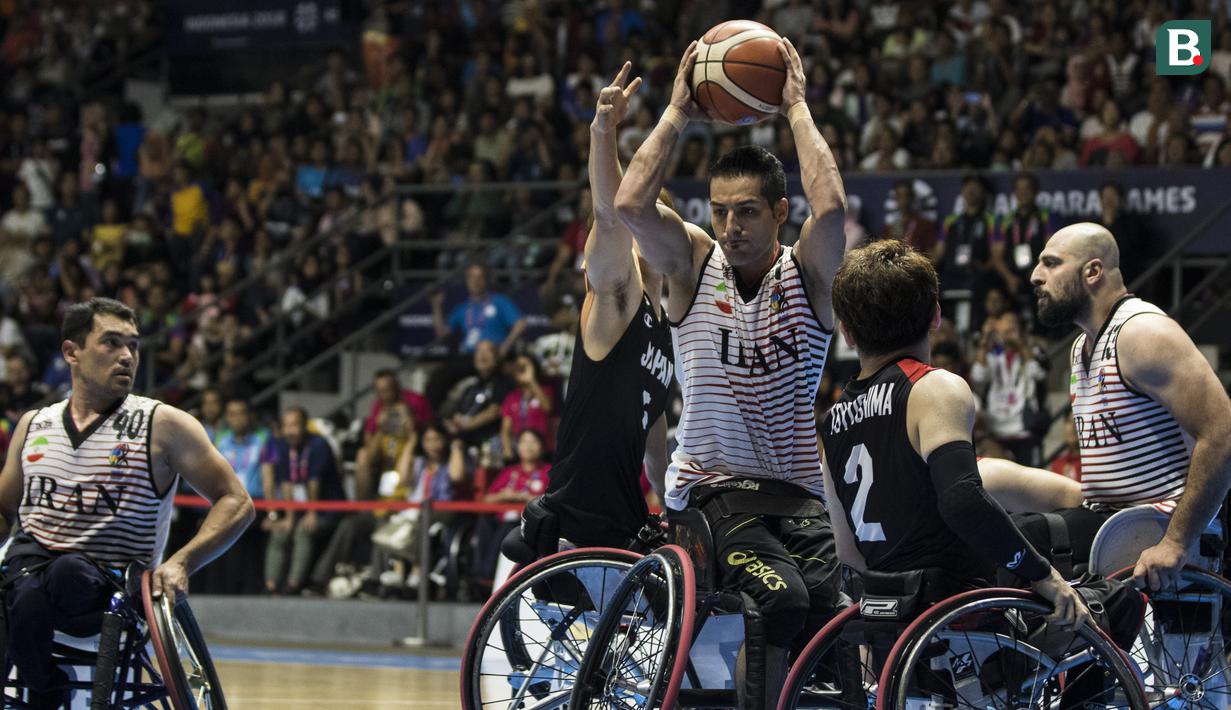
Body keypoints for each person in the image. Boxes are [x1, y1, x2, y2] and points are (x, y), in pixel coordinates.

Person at [614, 39, 849, 707]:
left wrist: (796, 106)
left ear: (779, 212)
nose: (729, 225)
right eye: (719, 211)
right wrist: (675, 112)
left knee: (830, 619)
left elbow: (832, 209)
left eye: (746, 210)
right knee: (782, 602)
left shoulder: (808, 274)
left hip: (797, 494)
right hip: (709, 493)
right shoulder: (693, 263)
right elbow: (631, 206)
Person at [821, 233, 1089, 626]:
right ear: (935, 316)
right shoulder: (932, 387)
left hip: (889, 611)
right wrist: (1042, 575)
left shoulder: (833, 421)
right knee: (1112, 592)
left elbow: (847, 550)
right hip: (960, 608)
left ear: (846, 332)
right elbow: (962, 500)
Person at [0, 297, 254, 708]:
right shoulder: (34, 424)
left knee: (62, 574)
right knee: (24, 583)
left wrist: (183, 562)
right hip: (28, 569)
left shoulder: (164, 425)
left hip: (111, 585)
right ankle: (43, 680)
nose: (127, 356)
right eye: (111, 343)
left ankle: (42, 684)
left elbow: (236, 501)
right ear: (72, 352)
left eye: (133, 345)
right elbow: (3, 510)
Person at [982, 222, 1231, 591]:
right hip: (1108, 516)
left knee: (1020, 538)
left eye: (1051, 263)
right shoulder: (1081, 347)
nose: (1035, 276)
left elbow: (1223, 432)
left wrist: (1177, 542)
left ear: (1093, 272)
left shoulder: (1141, 333)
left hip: (1154, 525)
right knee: (985, 487)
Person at [532, 62, 673, 555]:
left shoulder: (666, 336)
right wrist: (603, 132)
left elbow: (656, 457)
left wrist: (677, 511)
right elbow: (608, 216)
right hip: (577, 521)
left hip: (625, 524)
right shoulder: (618, 296)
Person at [262, 406, 344, 595]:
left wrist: (312, 513)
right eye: (286, 426)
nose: (290, 431)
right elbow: (286, 483)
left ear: (305, 425)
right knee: (280, 531)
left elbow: (314, 482)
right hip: (299, 508)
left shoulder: (319, 444)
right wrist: (289, 517)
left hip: (326, 508)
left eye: (294, 425)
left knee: (302, 531)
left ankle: (294, 584)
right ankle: (271, 584)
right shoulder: (283, 446)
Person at [430, 263, 526, 357]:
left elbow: (520, 325)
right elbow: (442, 334)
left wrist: (504, 348)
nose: (475, 281)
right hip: (469, 358)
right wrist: (436, 306)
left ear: (486, 280)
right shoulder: (462, 308)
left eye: (480, 277)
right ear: (467, 281)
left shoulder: (500, 301)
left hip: (494, 358)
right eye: (471, 277)